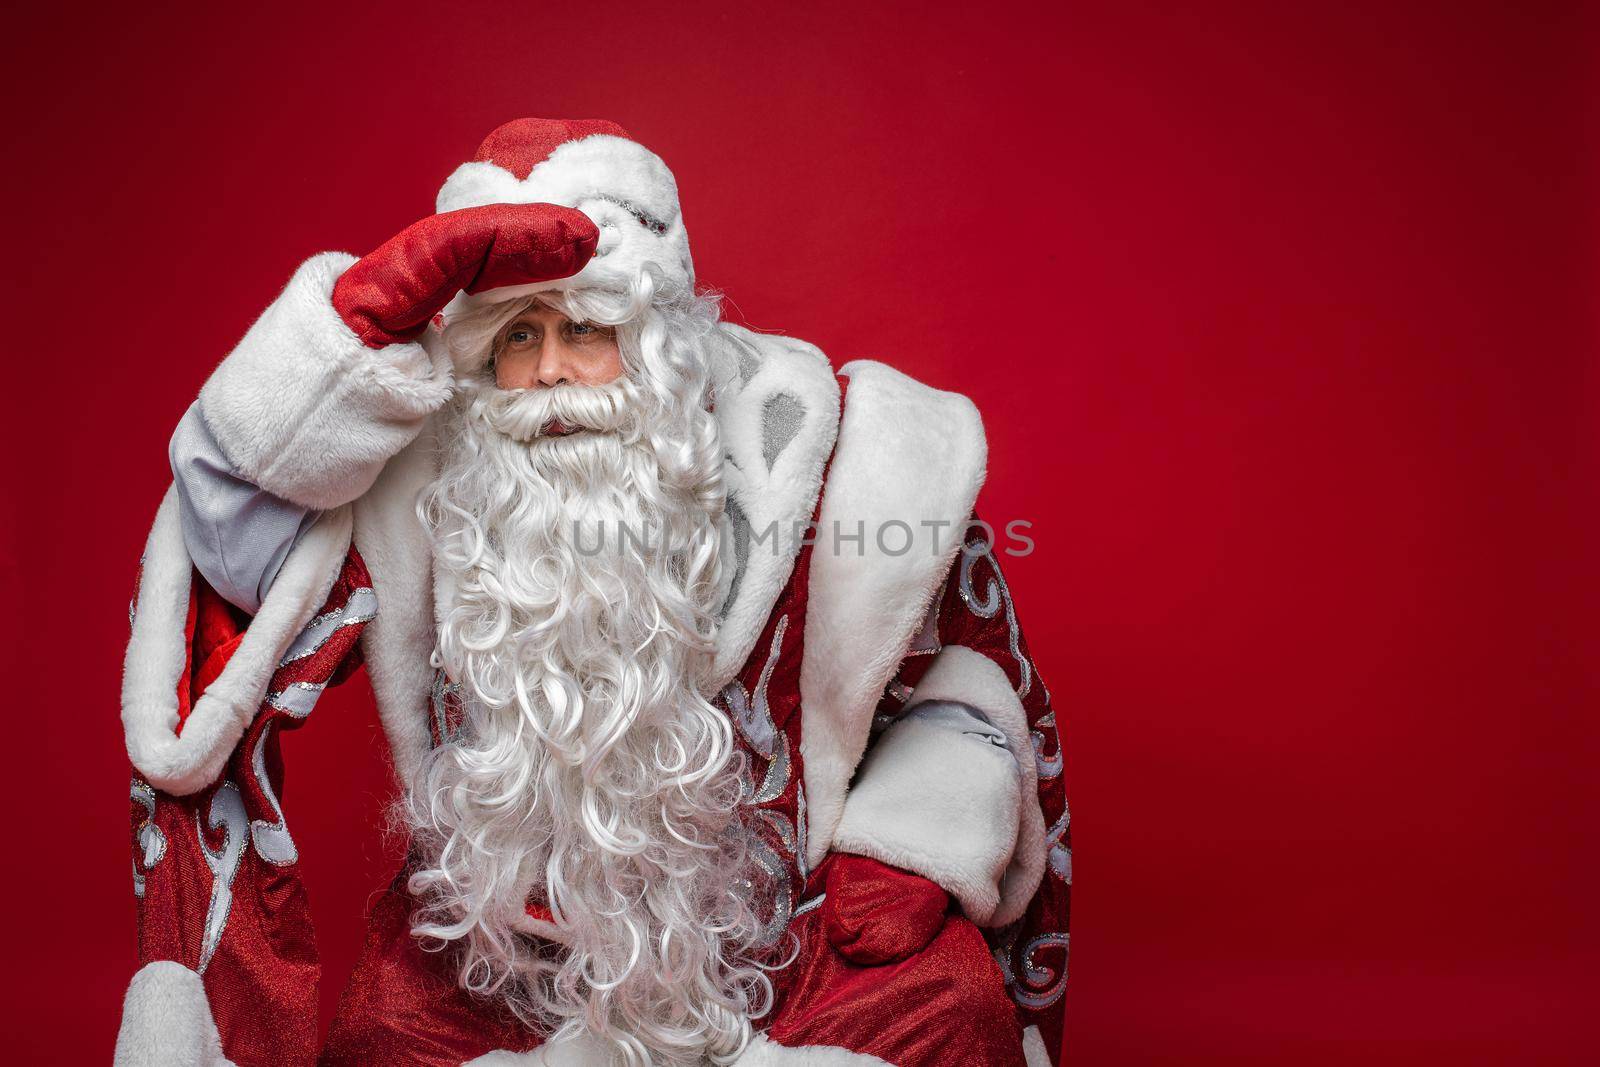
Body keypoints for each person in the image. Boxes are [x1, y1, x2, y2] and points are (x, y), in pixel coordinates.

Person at [115, 118, 1069, 1067]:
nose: (550, 373)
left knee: (950, 1011)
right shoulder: (418, 480)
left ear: (659, 343)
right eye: (516, 336)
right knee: (381, 1042)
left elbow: (962, 665)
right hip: (493, 966)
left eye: (584, 327)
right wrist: (335, 354)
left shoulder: (822, 457)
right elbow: (230, 565)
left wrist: (906, 836)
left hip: (785, 950)